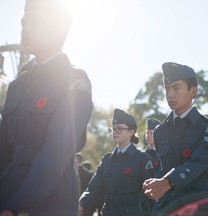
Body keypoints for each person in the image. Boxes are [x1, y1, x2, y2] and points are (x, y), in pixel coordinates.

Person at [0, 0, 93, 215]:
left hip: (50, 203)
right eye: (24, 23)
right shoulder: (17, 85)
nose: (26, 28)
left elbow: (57, 151)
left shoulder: (74, 80)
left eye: (35, 22)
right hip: (8, 194)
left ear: (58, 28)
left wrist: (17, 206)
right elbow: (4, 149)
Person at [143, 62, 208, 216]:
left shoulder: (207, 127)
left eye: (176, 88)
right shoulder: (160, 131)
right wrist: (154, 184)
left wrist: (168, 182)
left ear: (193, 91)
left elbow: (200, 161)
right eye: (167, 89)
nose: (170, 94)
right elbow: (163, 168)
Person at [78, 108, 155, 216]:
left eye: (119, 129)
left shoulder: (142, 159)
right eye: (113, 129)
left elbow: (151, 195)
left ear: (131, 132)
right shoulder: (107, 160)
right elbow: (94, 189)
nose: (115, 132)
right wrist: (81, 204)